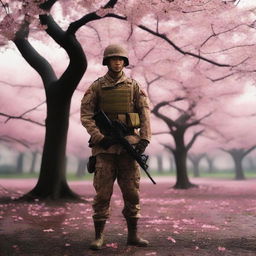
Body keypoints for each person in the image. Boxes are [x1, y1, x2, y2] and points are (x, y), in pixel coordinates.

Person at [80, 44, 151, 250]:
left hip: (129, 148)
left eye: (121, 59)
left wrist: (144, 139)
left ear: (125, 62)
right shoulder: (96, 87)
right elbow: (86, 115)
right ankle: (99, 236)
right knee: (102, 194)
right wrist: (99, 137)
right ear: (107, 62)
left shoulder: (134, 86)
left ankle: (133, 235)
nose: (117, 62)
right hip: (104, 150)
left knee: (132, 193)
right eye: (113, 59)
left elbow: (145, 114)